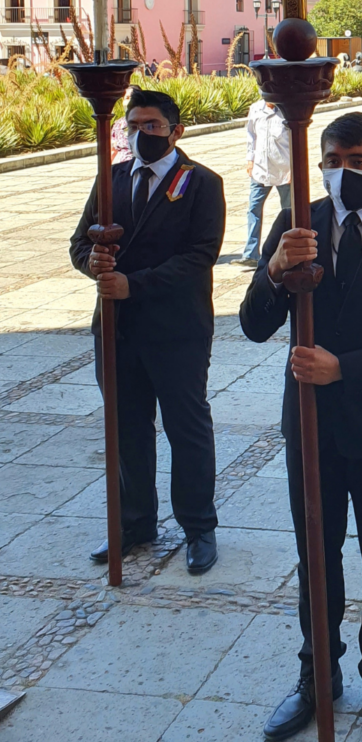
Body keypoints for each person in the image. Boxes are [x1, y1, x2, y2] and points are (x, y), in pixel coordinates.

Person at [239, 112, 362, 742]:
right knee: (315, 554)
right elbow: (253, 324)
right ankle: (317, 673)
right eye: (331, 159)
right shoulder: (298, 225)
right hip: (311, 424)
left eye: (356, 161)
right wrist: (274, 271)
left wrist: (344, 368)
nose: (340, 171)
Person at [69, 87, 225, 573]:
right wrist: (93, 265)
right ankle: (135, 522)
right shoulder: (111, 177)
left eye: (152, 126)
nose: (141, 136)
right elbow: (79, 242)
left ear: (176, 131)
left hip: (176, 329)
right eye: (133, 126)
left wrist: (132, 284)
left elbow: (201, 255)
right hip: (117, 331)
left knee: (187, 428)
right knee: (127, 429)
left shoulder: (200, 182)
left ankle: (198, 527)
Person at [233, 95, 291, 268]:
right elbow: (251, 135)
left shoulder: (287, 111)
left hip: (284, 170)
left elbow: (296, 139)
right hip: (260, 169)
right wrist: (250, 160)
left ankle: (287, 250)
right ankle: (251, 254)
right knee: (253, 209)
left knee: (288, 213)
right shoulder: (255, 109)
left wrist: (294, 168)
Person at [110, 83, 137, 164]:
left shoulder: (147, 123)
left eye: (132, 98)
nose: (129, 102)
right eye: (126, 98)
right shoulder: (118, 124)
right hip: (120, 169)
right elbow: (113, 150)